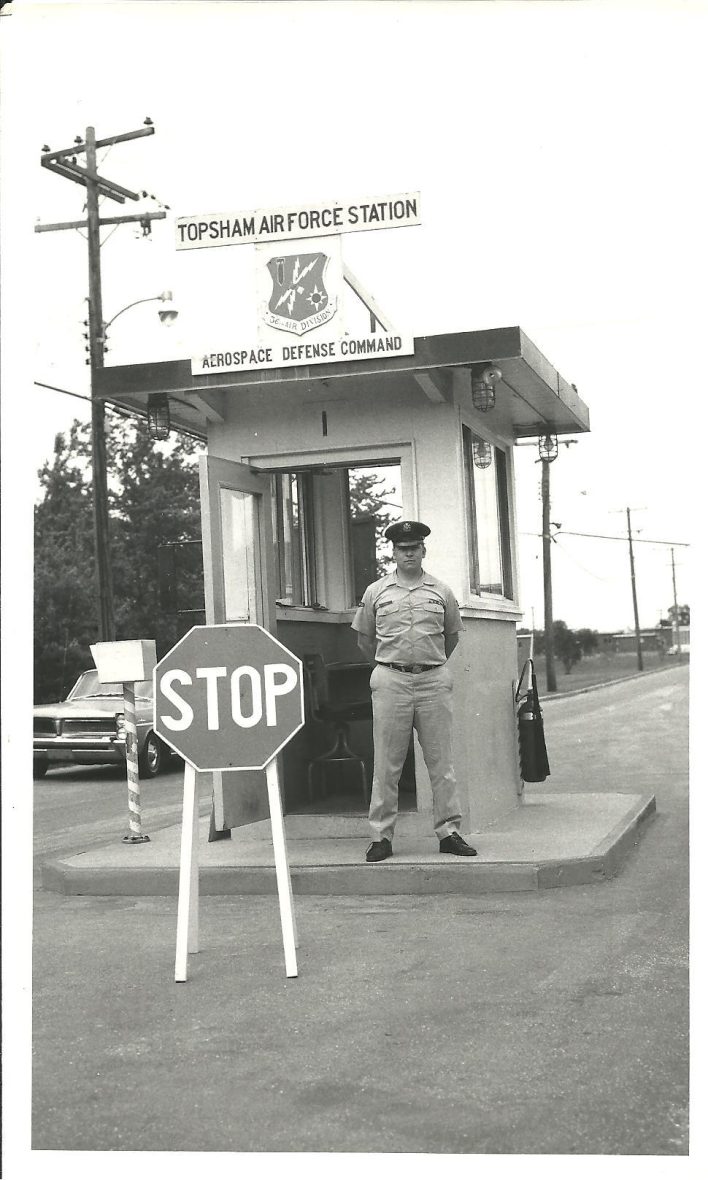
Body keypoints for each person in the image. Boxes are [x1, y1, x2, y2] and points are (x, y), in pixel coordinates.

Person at [352, 520, 477, 863]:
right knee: (387, 762)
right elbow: (364, 639)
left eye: (414, 548)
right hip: (391, 680)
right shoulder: (376, 592)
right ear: (393, 553)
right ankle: (380, 837)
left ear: (424, 551)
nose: (409, 553)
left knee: (441, 762)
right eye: (402, 548)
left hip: (433, 681)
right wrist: (391, 666)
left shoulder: (442, 592)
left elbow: (451, 636)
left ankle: (449, 832)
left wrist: (427, 664)